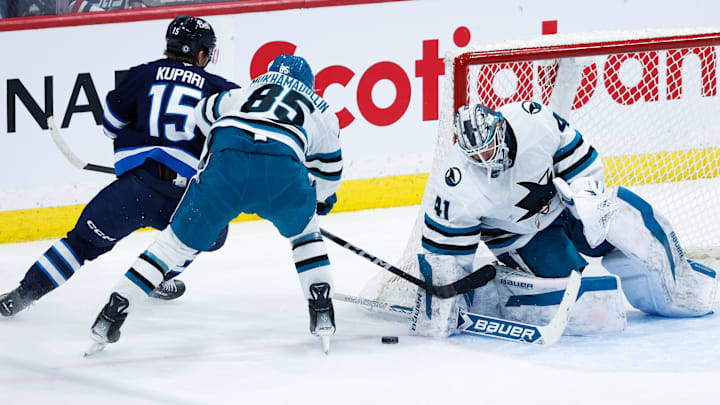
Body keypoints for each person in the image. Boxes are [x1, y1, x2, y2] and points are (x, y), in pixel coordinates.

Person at [86, 54, 343, 355]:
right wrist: (319, 203)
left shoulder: (241, 93)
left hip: (225, 168)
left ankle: (114, 310)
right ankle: (321, 309)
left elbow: (201, 114)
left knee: (173, 246)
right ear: (308, 84)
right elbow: (329, 173)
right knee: (305, 237)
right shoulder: (321, 110)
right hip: (281, 171)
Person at [410, 101, 718, 337]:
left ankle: (680, 289)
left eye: (488, 146)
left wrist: (585, 200)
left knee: (630, 220)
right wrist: (443, 302)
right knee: (583, 301)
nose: (485, 158)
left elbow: (581, 159)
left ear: (500, 127)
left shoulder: (534, 121)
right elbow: (445, 253)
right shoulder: (456, 184)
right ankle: (497, 293)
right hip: (523, 238)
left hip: (565, 206)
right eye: (476, 155)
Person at [0, 15, 239, 317]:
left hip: (136, 189)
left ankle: (22, 295)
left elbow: (111, 125)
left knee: (80, 244)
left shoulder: (141, 75)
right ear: (202, 53)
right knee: (210, 233)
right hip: (186, 198)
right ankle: (158, 276)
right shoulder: (224, 90)